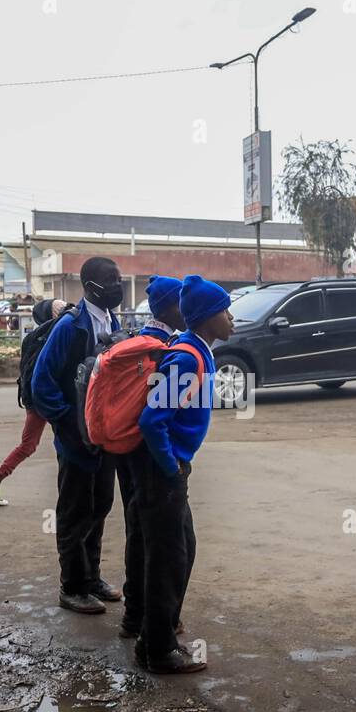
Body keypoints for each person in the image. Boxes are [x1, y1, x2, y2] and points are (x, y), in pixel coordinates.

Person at [129, 274, 233, 674]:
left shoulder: (196, 350)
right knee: (168, 557)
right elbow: (153, 419)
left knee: (180, 549)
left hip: (168, 468)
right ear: (207, 317)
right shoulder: (189, 356)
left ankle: (159, 630)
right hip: (162, 470)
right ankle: (156, 649)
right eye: (225, 310)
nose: (232, 318)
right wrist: (171, 468)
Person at [31, 256, 129, 615]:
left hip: (104, 439)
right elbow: (43, 384)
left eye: (119, 278)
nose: (117, 285)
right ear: (89, 286)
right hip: (76, 442)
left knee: (100, 506)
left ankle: (92, 577)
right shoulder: (70, 327)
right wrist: (69, 425)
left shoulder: (112, 321)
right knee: (74, 512)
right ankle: (71, 586)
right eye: (111, 279)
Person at [118, 276, 188, 642]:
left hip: (129, 451)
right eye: (183, 303)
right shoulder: (163, 348)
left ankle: (133, 617)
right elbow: (154, 416)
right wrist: (170, 465)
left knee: (138, 533)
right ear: (171, 307)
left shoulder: (136, 338)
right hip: (150, 456)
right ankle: (154, 627)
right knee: (161, 543)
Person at [0, 298, 68, 506]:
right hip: (44, 401)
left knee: (39, 444)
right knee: (34, 444)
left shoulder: (34, 338)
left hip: (34, 399)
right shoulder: (52, 335)